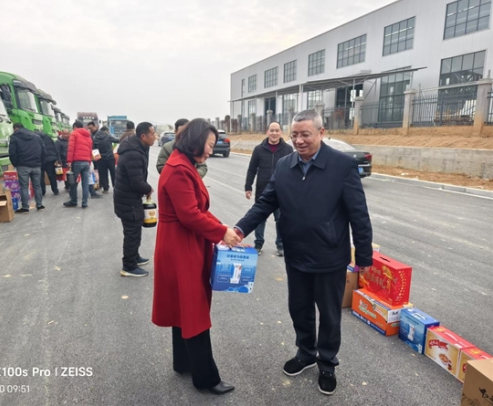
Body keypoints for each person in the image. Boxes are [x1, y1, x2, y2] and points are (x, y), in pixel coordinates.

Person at [234, 110, 373, 396]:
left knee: (330, 315)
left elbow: (359, 214)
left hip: (329, 256)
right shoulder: (285, 165)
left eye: (305, 134)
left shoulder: (342, 165)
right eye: (294, 135)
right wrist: (239, 229)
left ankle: (327, 363)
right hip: (296, 253)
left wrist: (364, 255)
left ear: (321, 133)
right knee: (299, 308)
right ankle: (306, 352)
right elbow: (266, 202)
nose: (299, 140)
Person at [152, 118, 241, 395]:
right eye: (210, 145)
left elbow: (197, 210)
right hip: (181, 246)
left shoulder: (183, 163)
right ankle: (206, 378)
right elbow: (190, 215)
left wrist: (222, 228)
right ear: (196, 140)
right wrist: (221, 233)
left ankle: (184, 362)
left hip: (183, 241)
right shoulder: (179, 169)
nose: (211, 151)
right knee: (194, 310)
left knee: (183, 307)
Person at [113, 122, 156, 277]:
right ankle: (129, 266)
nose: (155, 136)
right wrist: (148, 189)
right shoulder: (133, 153)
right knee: (132, 232)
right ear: (143, 136)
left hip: (128, 197)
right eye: (153, 134)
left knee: (134, 229)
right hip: (128, 199)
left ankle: (134, 256)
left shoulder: (138, 147)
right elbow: (136, 182)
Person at [244, 121, 293, 256]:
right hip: (263, 191)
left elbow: (292, 171)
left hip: (281, 192)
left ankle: (280, 245)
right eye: (271, 130)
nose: (274, 133)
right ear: (267, 132)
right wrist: (248, 187)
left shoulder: (288, 150)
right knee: (260, 219)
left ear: (281, 133)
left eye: (277, 130)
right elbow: (252, 169)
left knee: (281, 220)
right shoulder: (259, 149)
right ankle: (258, 244)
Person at [9, 123, 45, 213]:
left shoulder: (14, 137)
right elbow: (43, 151)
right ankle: (39, 205)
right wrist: (40, 162)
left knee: (24, 187)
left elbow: (12, 153)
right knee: (37, 186)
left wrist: (16, 164)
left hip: (23, 165)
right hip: (36, 165)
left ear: (15, 128)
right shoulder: (36, 136)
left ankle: (25, 207)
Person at [64, 121, 92, 209]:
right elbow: (90, 150)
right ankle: (84, 203)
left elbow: (71, 148)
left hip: (77, 162)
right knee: (85, 184)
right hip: (86, 162)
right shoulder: (88, 135)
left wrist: (69, 161)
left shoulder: (74, 134)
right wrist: (89, 161)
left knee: (72, 182)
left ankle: (73, 201)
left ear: (75, 127)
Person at [93, 126, 119, 193]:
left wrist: (97, 159)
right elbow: (117, 140)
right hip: (110, 158)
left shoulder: (95, 138)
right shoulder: (108, 136)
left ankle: (105, 188)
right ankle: (116, 187)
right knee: (113, 173)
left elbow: (94, 149)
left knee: (103, 174)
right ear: (106, 131)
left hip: (101, 159)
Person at [37, 131, 61, 196]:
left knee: (41, 176)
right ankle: (55, 190)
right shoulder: (47, 137)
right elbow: (54, 147)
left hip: (40, 160)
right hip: (50, 159)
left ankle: (42, 191)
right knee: (52, 175)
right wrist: (57, 158)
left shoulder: (35, 138)